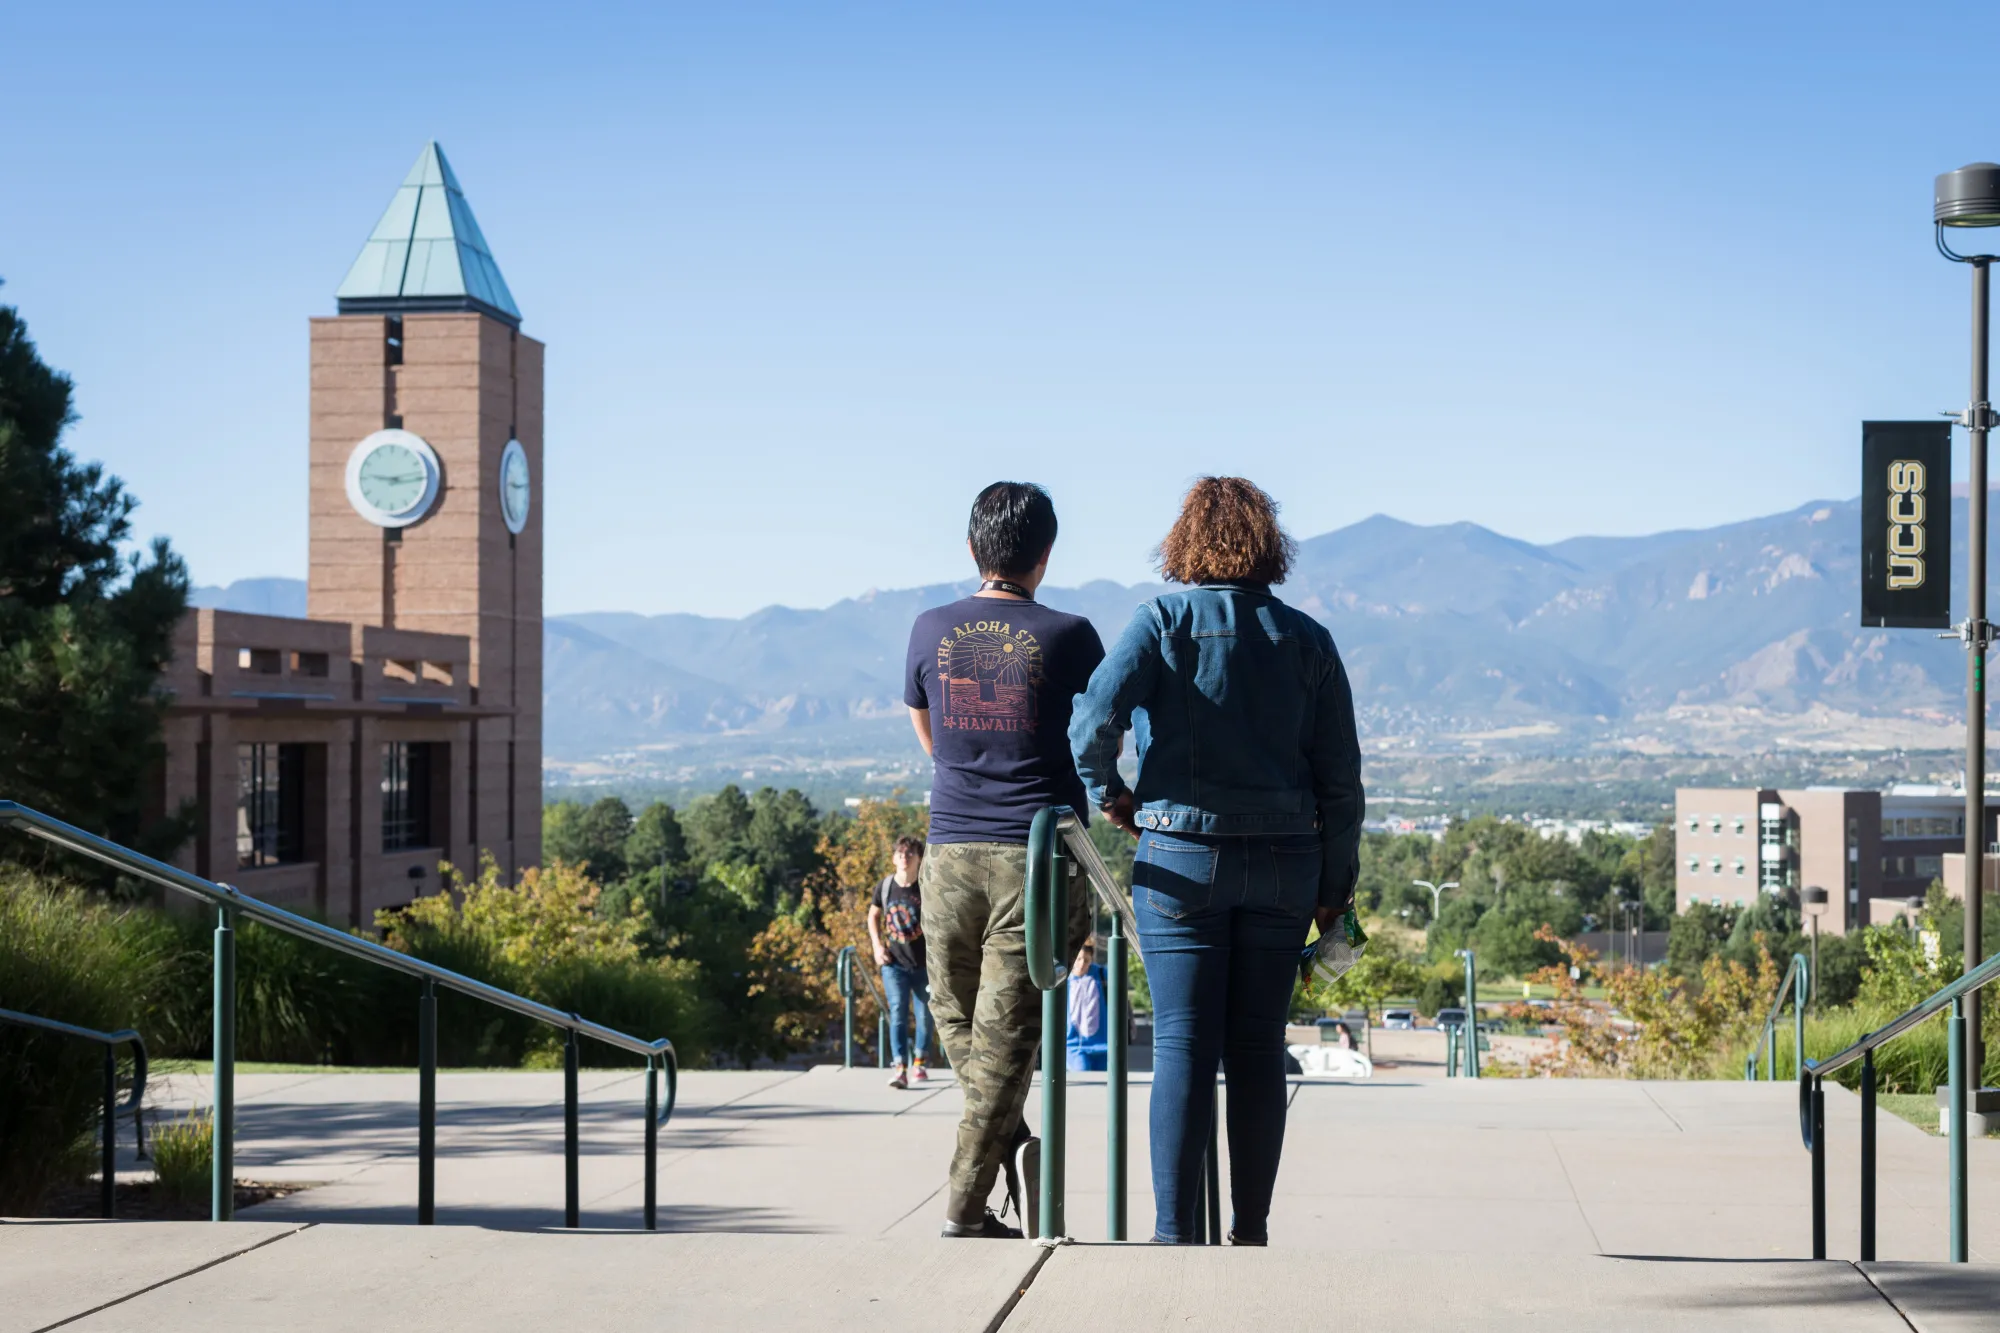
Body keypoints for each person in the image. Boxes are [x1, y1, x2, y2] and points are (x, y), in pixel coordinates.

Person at [1069, 476, 1363, 1247]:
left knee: (1182, 1045)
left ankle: (1174, 1236)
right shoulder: (1308, 639)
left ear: (1185, 542)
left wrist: (1117, 798)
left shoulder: (1159, 620)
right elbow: (1342, 781)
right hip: (1284, 865)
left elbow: (1092, 719)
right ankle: (1252, 1231)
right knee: (1259, 1048)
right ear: (1270, 543)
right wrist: (1334, 892)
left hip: (1179, 862)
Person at [907, 481, 1101, 1239]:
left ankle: (982, 1172)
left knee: (956, 1016)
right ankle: (977, 1187)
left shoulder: (928, 627)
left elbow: (927, 732)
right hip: (1038, 855)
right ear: (1045, 554)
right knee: (1005, 1032)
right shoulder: (1072, 633)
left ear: (971, 548)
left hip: (949, 848)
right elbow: (1101, 732)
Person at [870, 835, 935, 1089]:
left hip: (924, 965)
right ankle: (899, 1066)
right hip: (894, 964)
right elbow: (873, 915)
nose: (904, 858)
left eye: (910, 854)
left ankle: (919, 1060)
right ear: (894, 858)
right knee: (897, 1012)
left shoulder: (926, 888)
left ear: (919, 859)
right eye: (900, 853)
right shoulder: (885, 887)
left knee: (926, 1016)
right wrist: (877, 946)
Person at [1065, 940, 1108, 1072]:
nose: (1081, 964)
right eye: (1078, 959)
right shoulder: (1064, 978)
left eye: (1086, 960)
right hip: (1073, 1046)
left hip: (1104, 1045)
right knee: (1082, 1070)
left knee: (1103, 1087)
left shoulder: (1101, 974)